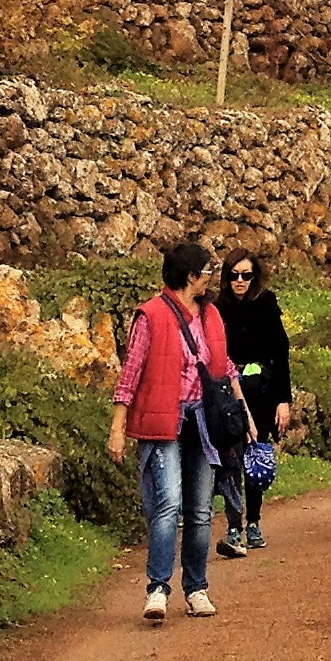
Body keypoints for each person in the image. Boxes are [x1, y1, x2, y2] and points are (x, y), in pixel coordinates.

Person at [106, 240, 238, 624]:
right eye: (207, 271)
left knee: (199, 510)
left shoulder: (210, 314)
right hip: (165, 421)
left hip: (203, 423)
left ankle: (196, 588)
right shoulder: (150, 316)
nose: (212, 278)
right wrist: (118, 428)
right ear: (190, 277)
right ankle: (158, 589)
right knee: (167, 505)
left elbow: (223, 363)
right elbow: (130, 373)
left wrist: (241, 411)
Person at [213, 252, 296, 557]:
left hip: (262, 393)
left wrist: (284, 400)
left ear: (254, 276)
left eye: (246, 275)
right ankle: (234, 524)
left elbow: (280, 352)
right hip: (227, 395)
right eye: (234, 275)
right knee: (231, 458)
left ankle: (254, 521)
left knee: (255, 456)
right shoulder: (216, 308)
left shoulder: (266, 303)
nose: (239, 282)